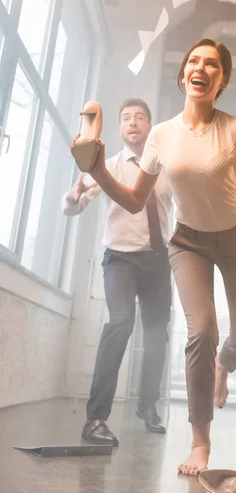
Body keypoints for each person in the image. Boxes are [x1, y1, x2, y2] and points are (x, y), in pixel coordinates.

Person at [71, 38, 236, 475]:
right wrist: (96, 169)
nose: (202, 67)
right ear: (183, 74)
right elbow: (135, 200)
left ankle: (224, 366)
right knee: (201, 330)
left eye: (212, 64)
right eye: (194, 60)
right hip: (188, 243)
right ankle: (200, 442)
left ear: (221, 80)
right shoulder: (161, 135)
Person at [64, 98, 173, 445]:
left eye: (140, 116)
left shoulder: (167, 170)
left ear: (150, 126)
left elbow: (186, 209)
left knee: (158, 335)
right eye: (126, 117)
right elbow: (73, 209)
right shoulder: (105, 166)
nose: (133, 122)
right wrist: (73, 195)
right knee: (121, 323)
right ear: (120, 127)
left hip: (157, 261)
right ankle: (95, 419)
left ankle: (148, 406)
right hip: (120, 261)